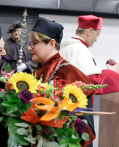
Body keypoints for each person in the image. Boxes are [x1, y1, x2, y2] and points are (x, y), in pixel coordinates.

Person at [28, 17, 97, 147]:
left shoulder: (71, 74)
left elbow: (84, 128)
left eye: (34, 43)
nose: (29, 48)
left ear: (52, 44)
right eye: (29, 43)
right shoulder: (37, 72)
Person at [60, 15, 119, 95]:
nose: (96, 39)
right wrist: (111, 72)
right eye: (97, 35)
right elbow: (87, 81)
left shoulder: (66, 45)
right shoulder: (79, 48)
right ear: (90, 31)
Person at [0, 21, 37, 89]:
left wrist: (26, 65)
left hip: (24, 79)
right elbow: (3, 64)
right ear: (11, 32)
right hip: (10, 79)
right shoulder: (5, 45)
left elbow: (34, 60)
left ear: (22, 32)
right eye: (14, 31)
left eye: (19, 30)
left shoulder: (26, 45)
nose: (17, 32)